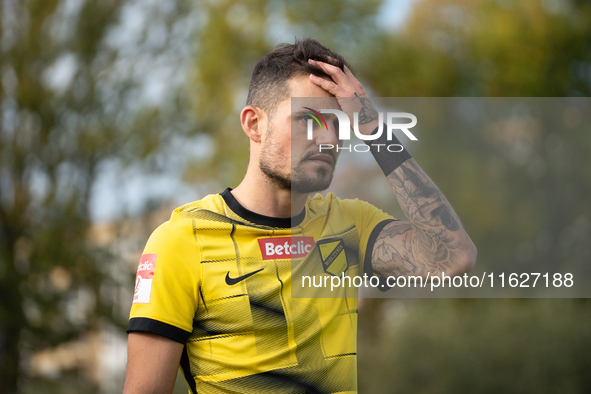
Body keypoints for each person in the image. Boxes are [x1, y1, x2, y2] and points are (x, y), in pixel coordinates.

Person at [123, 38, 477, 394]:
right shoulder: (183, 239)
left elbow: (454, 257)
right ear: (254, 124)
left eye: (338, 125)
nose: (327, 139)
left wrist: (373, 128)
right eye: (308, 120)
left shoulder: (351, 224)